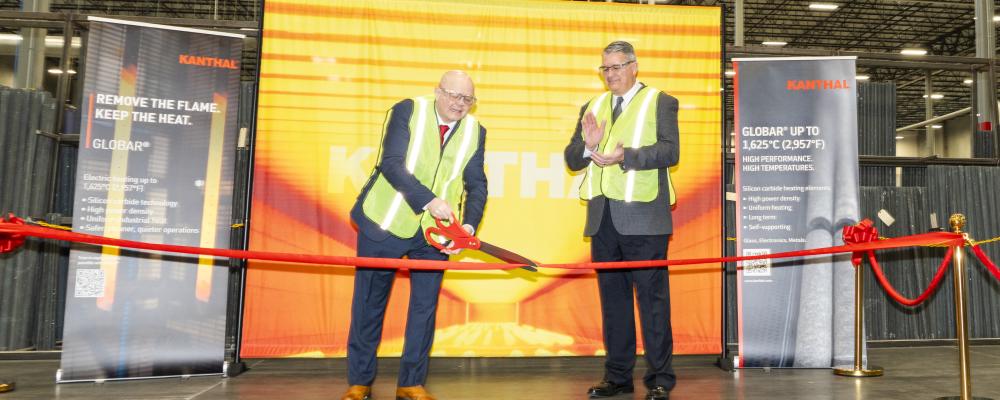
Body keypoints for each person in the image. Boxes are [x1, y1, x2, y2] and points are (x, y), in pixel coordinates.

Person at [342, 71, 487, 400]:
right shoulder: (408, 110)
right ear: (437, 91)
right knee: (368, 305)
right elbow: (391, 164)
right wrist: (430, 201)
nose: (459, 104)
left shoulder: (476, 132)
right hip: (384, 223)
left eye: (467, 99)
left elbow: (476, 184)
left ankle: (410, 383)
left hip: (434, 235)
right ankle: (359, 382)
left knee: (425, 308)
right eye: (453, 95)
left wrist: (467, 227)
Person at [564, 41, 680, 400]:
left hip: (644, 217)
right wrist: (588, 145)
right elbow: (571, 159)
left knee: (652, 302)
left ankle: (660, 378)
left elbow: (670, 150)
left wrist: (624, 156)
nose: (611, 74)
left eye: (617, 67)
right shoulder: (592, 106)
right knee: (613, 303)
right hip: (603, 218)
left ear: (634, 66)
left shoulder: (660, 100)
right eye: (606, 68)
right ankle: (617, 376)